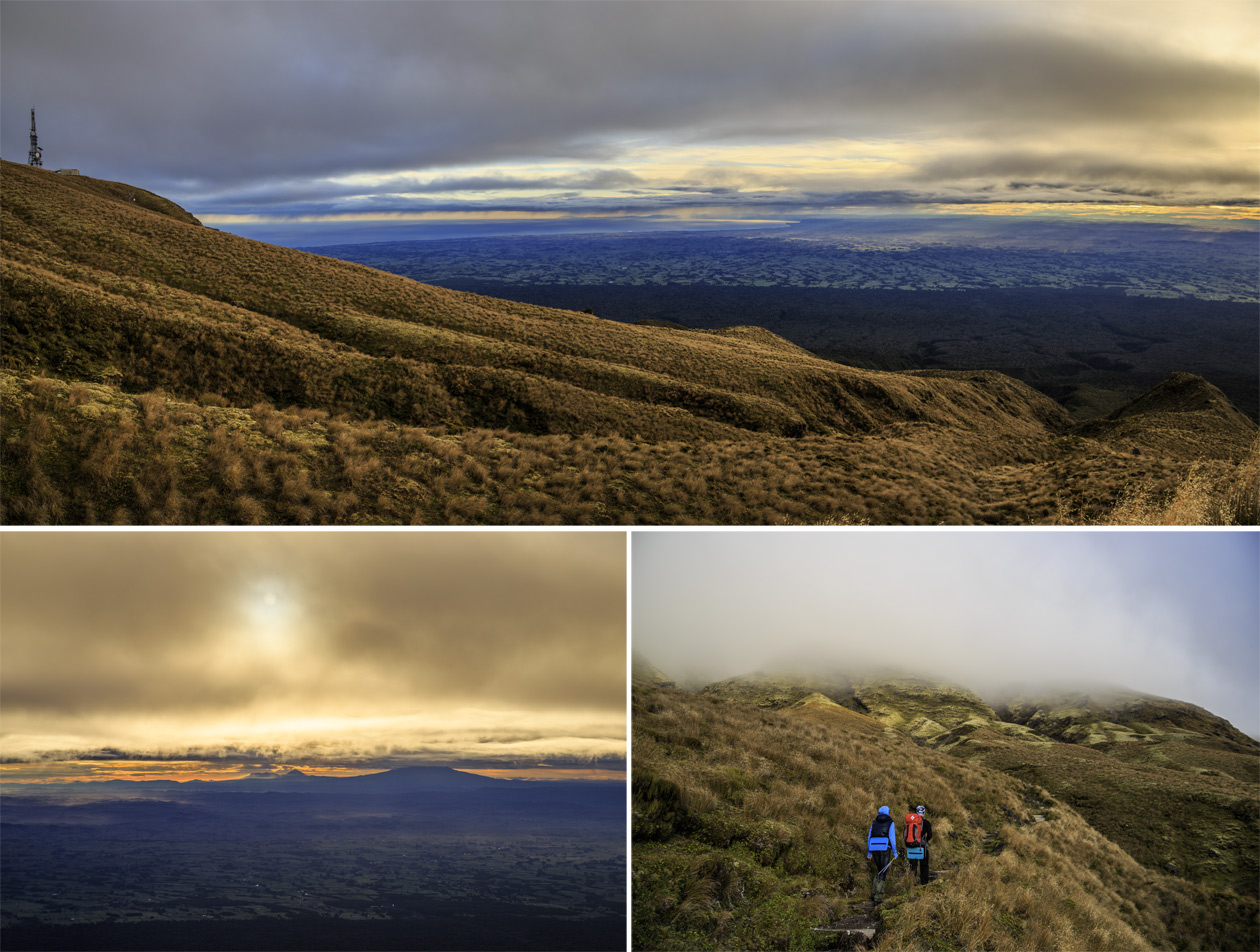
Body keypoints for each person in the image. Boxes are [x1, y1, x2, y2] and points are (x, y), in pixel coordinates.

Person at [865, 805, 897, 903]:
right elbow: (892, 839)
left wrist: (869, 852)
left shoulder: (874, 822)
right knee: (883, 871)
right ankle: (878, 897)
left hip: (874, 848)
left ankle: (874, 893)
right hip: (884, 849)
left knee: (879, 870)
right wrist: (895, 853)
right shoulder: (890, 822)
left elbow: (869, 837)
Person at [904, 804, 933, 886]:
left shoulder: (910, 823)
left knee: (913, 866)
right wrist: (925, 841)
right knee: (924, 865)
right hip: (922, 846)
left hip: (911, 846)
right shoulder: (927, 823)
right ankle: (924, 883)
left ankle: (912, 883)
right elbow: (930, 835)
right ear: (924, 813)